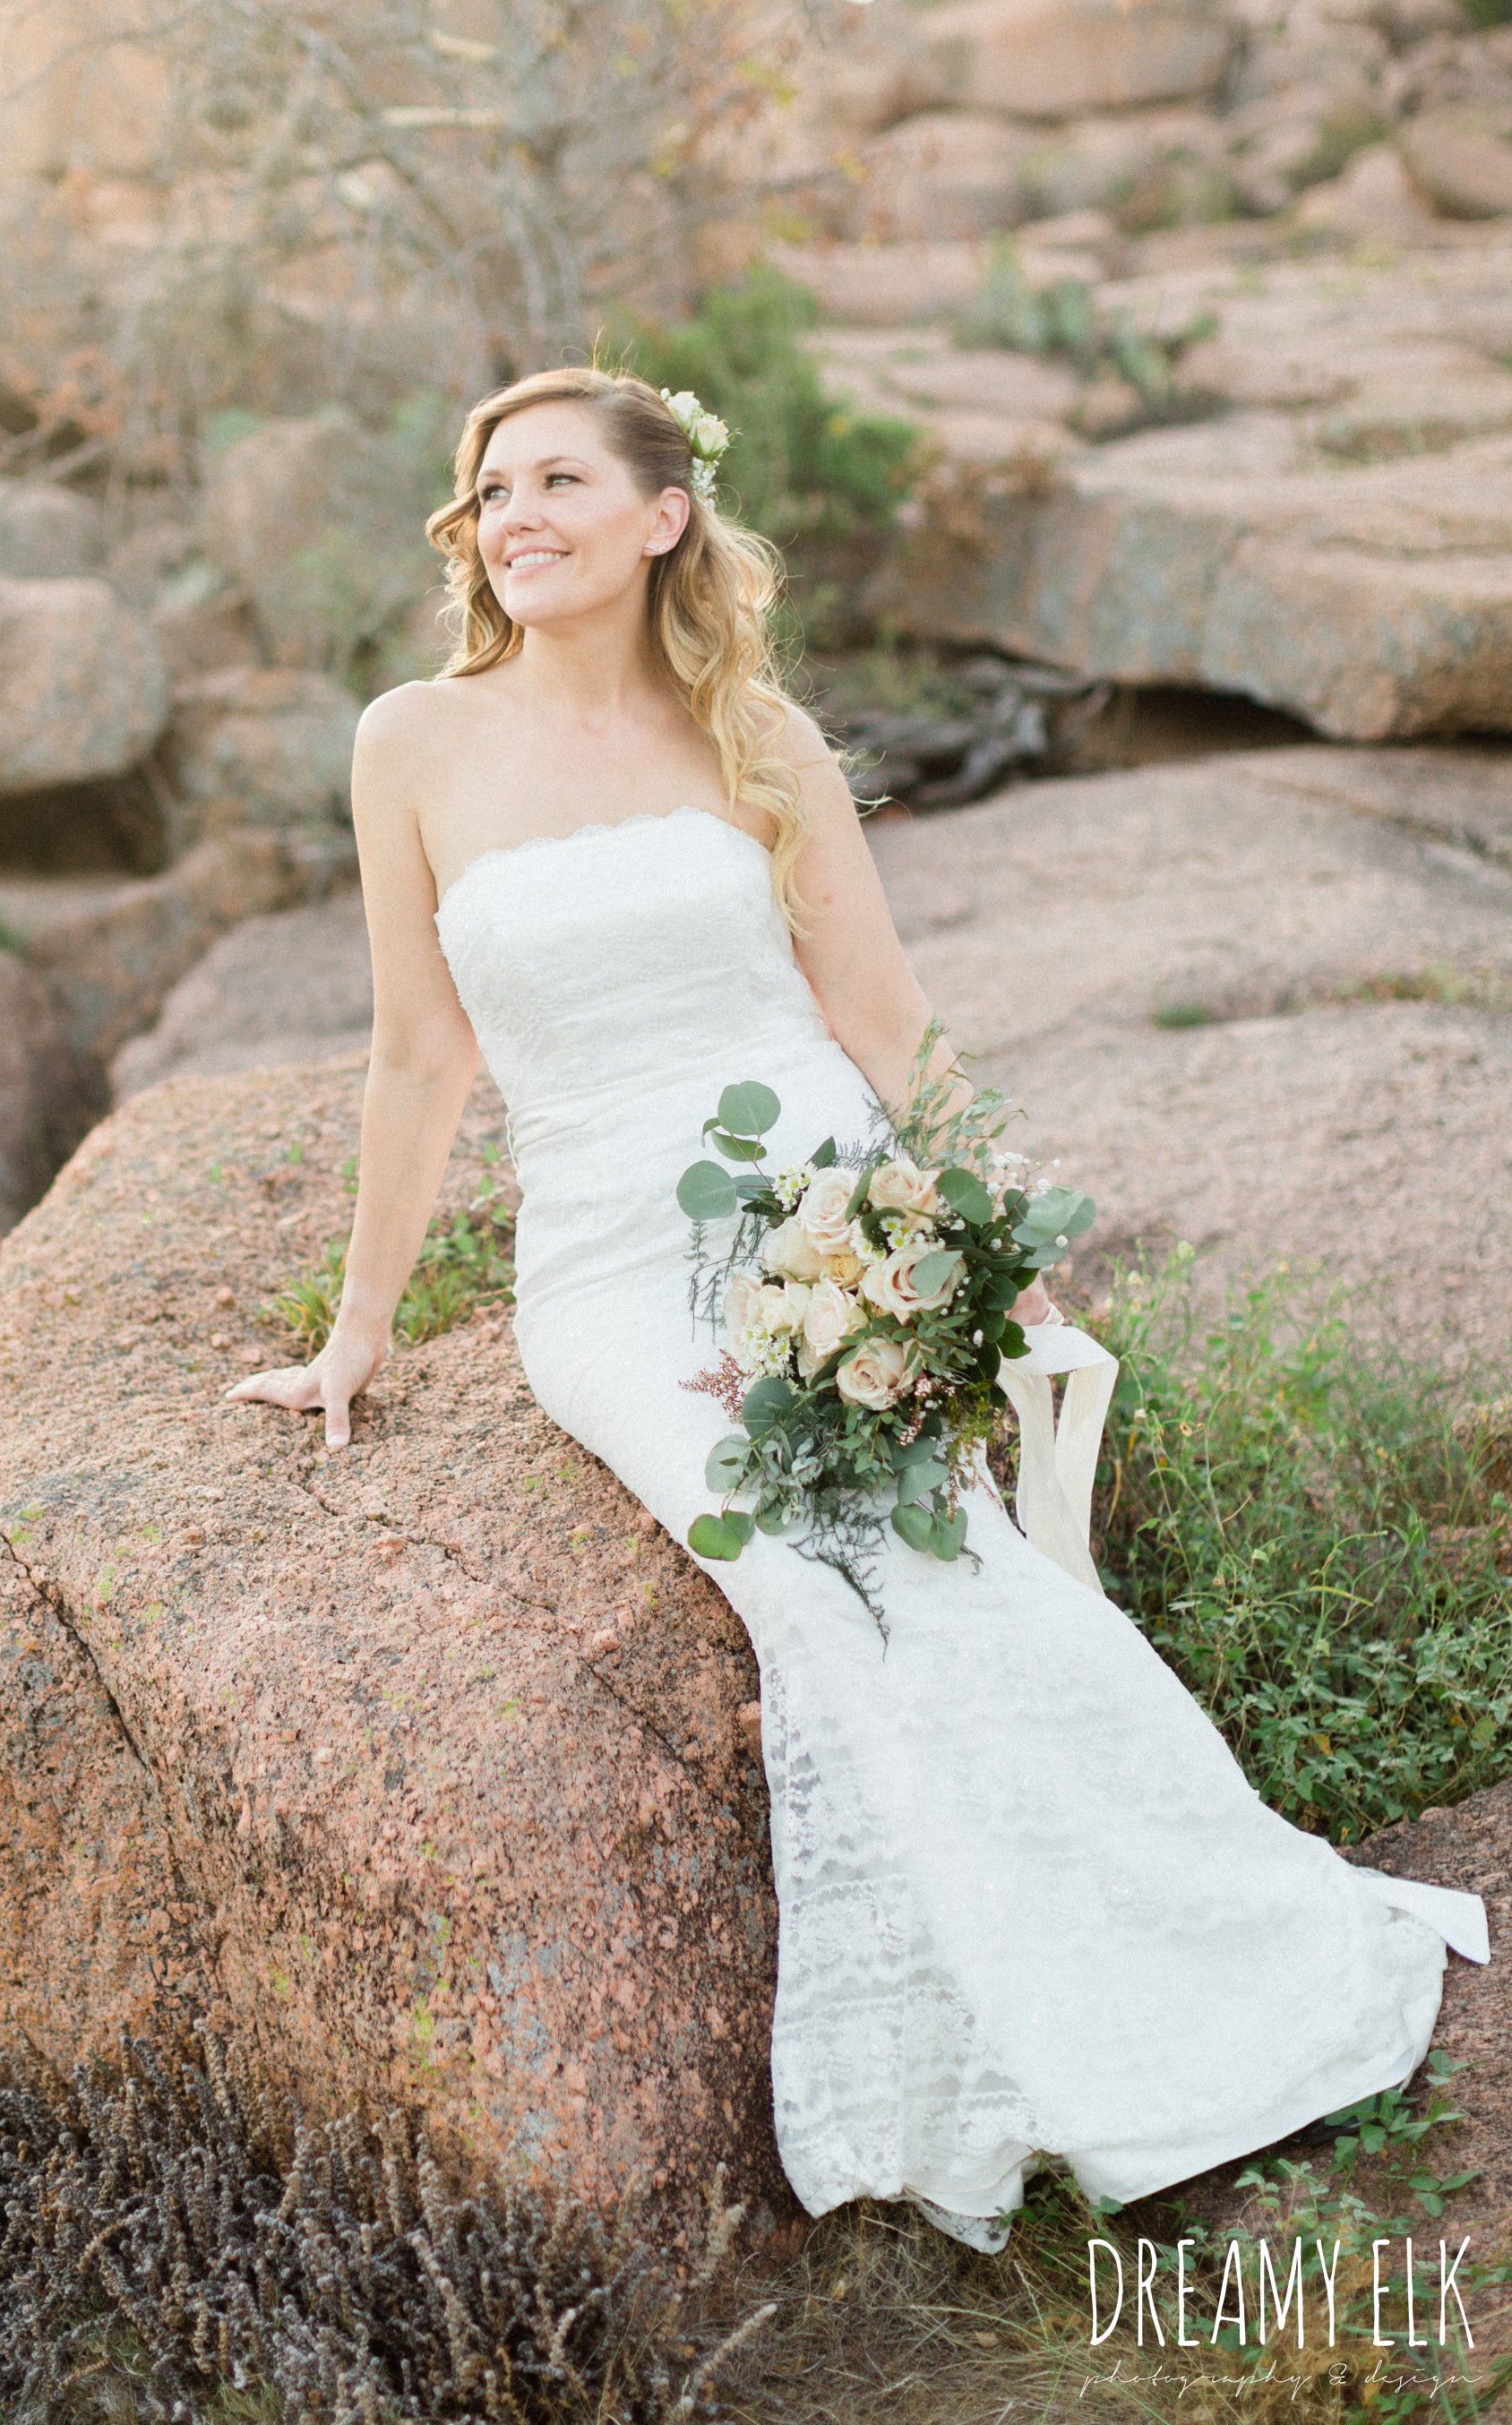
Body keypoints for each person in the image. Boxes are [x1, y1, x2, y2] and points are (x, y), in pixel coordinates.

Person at [227, 365, 1489, 2253]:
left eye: (560, 479)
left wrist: (985, 1250)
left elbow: (883, 1019)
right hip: (605, 1264)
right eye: (492, 490)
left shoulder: (758, 732)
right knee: (801, 1581)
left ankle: (1173, 1981)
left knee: (943, 1561)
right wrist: (359, 1330)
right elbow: (418, 1060)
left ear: (666, 514)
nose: (516, 515)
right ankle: (987, 2048)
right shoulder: (411, 741)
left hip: (823, 1215)